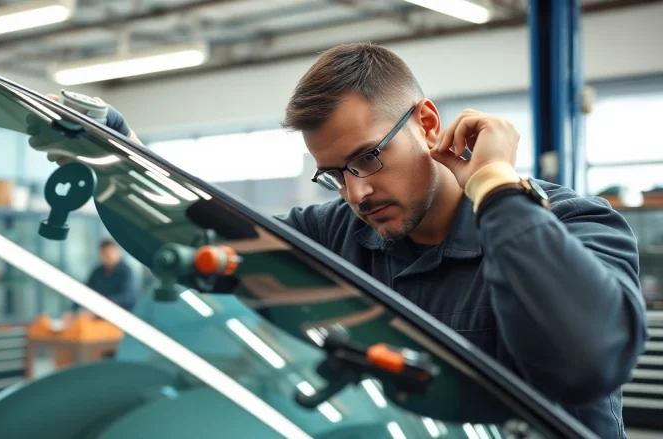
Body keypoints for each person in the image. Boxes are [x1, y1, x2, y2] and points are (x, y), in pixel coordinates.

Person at [44, 43, 647, 438]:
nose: (356, 193)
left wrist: (495, 186)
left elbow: (584, 362)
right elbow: (197, 235)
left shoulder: (571, 223)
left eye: (369, 158)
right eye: (335, 174)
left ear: (429, 125)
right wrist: (113, 155)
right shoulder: (339, 233)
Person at [75, 238, 138, 313]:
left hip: (121, 316)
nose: (107, 257)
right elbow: (85, 291)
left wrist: (103, 302)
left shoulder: (126, 271)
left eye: (109, 253)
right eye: (104, 254)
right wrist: (72, 310)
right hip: (99, 314)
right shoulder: (97, 272)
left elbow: (128, 298)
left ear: (117, 252)